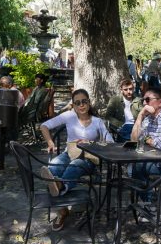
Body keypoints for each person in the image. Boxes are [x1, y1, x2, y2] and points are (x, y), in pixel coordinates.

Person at [40, 89, 113, 231]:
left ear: (89, 103)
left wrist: (90, 143)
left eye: (84, 101)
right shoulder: (68, 116)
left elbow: (110, 142)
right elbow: (44, 126)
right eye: (77, 103)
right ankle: (62, 207)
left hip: (88, 158)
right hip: (69, 153)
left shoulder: (97, 122)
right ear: (73, 105)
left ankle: (61, 190)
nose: (81, 105)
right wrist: (50, 142)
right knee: (53, 167)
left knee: (74, 166)